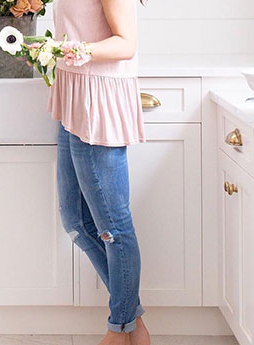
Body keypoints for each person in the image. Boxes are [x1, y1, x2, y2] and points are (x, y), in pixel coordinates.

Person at [48, 0, 150, 344]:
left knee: (114, 228)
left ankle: (118, 330)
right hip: (76, 95)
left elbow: (126, 43)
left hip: (97, 102)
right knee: (76, 221)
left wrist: (78, 49)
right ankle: (132, 322)